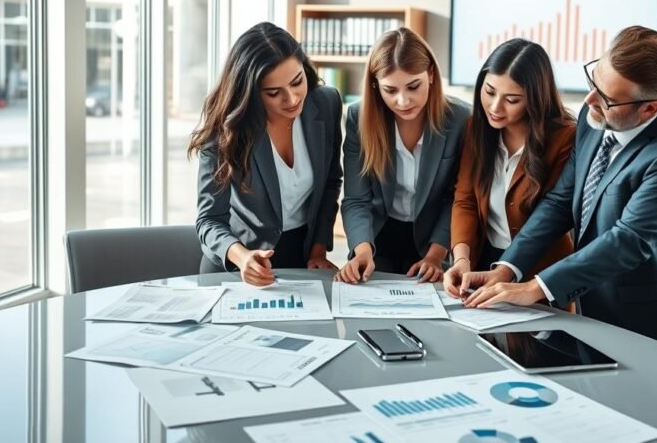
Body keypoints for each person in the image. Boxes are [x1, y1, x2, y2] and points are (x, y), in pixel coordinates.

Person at [461, 26, 657, 353]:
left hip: (644, 320)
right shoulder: (594, 118)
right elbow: (560, 203)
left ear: (649, 109)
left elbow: (629, 239)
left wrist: (537, 287)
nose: (590, 99)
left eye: (606, 98)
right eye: (593, 81)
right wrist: (508, 268)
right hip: (588, 306)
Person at [190, 21, 342, 286]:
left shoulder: (326, 104)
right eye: (274, 93)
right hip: (236, 266)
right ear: (250, 92)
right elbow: (209, 220)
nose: (292, 99)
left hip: (301, 257)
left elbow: (330, 184)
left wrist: (319, 249)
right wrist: (241, 256)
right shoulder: (225, 129)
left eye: (297, 82)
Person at [336, 27, 471, 284]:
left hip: (435, 241)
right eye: (390, 90)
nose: (403, 101)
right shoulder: (358, 117)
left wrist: (436, 255)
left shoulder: (461, 119)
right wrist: (362, 250)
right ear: (375, 86)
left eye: (413, 86)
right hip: (377, 238)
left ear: (430, 74)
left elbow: (456, 198)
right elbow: (356, 199)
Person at [443, 39, 576, 298]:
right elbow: (466, 199)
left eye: (512, 99)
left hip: (539, 274)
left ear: (535, 99)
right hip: (482, 263)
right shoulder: (476, 128)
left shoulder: (565, 137)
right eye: (489, 92)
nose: (494, 107)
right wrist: (461, 259)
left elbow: (551, 216)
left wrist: (508, 271)